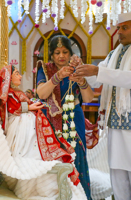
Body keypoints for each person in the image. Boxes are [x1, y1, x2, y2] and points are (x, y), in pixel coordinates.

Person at [0, 65, 87, 199]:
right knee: (27, 150)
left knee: (37, 147)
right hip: (21, 128)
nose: (20, 76)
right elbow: (12, 108)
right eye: (16, 74)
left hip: (29, 124)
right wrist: (29, 107)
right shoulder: (10, 94)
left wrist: (32, 105)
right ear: (8, 78)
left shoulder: (17, 92)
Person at [72, 12, 131, 200]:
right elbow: (97, 79)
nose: (119, 32)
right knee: (117, 172)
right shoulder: (114, 54)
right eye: (118, 27)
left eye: (124, 28)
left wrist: (98, 70)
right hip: (115, 123)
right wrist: (80, 68)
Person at [36, 35, 94, 199]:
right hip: (52, 121)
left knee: (77, 157)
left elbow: (88, 98)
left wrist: (81, 81)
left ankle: (80, 196)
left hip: (74, 119)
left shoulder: (77, 69)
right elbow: (41, 93)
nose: (61, 56)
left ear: (70, 54)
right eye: (57, 52)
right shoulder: (45, 70)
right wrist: (57, 77)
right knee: (55, 161)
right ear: (52, 56)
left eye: (65, 52)